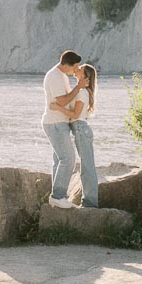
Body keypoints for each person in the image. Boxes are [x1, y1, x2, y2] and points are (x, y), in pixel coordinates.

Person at [42, 50, 82, 209]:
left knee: (59, 160)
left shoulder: (61, 76)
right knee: (68, 159)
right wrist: (78, 88)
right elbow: (63, 101)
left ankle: (58, 196)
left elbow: (62, 102)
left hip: (57, 122)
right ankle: (57, 196)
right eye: (75, 67)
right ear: (67, 65)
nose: (76, 70)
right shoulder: (55, 77)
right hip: (55, 123)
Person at [64, 63, 98, 209]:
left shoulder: (82, 92)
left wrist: (57, 107)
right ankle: (89, 201)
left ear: (85, 77)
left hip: (80, 129)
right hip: (80, 129)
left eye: (80, 69)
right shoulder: (80, 90)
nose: (77, 69)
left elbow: (75, 115)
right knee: (87, 165)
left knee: (87, 167)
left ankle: (90, 202)